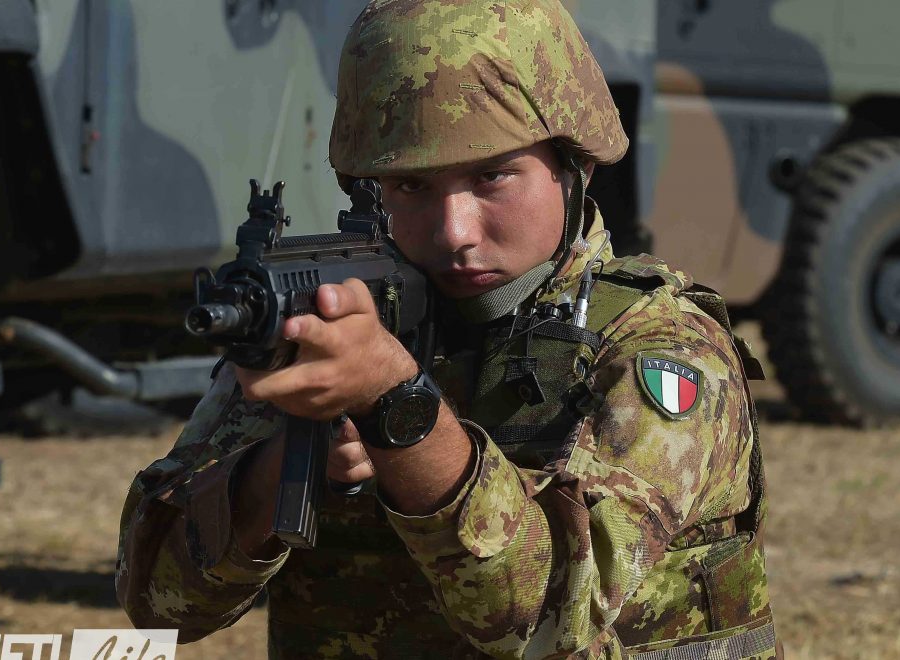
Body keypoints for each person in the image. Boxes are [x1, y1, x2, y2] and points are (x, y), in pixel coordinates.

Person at [116, 1, 779, 658]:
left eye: (492, 176)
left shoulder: (661, 346)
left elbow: (552, 616)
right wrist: (280, 469)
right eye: (410, 186)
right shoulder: (341, 319)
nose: (454, 231)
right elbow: (156, 603)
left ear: (574, 164)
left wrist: (397, 408)